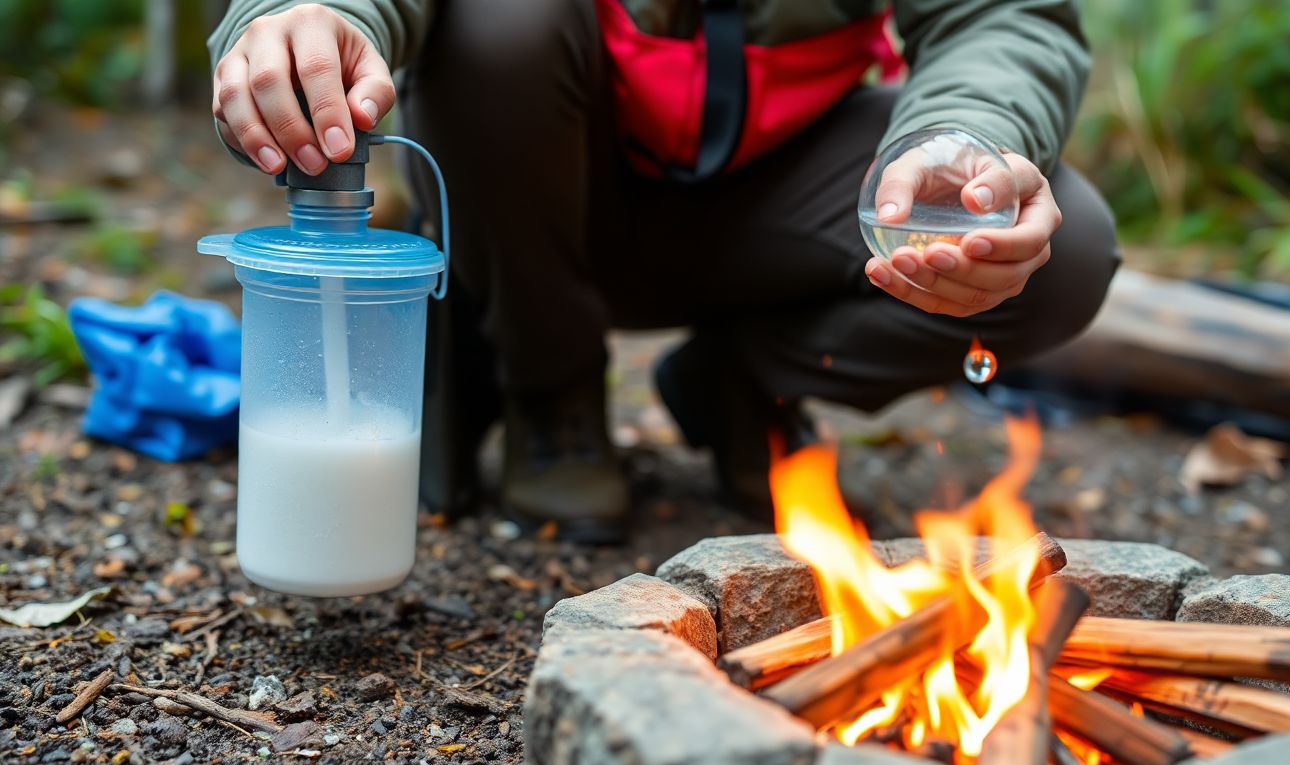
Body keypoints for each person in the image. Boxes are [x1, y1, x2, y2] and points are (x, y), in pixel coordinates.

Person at [208, 0, 1119, 544]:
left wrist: (964, 138)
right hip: (540, 186)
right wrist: (302, 18)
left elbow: (1001, 18)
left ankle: (736, 381)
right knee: (497, 25)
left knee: (1061, 246)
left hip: (779, 201)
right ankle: (549, 396)